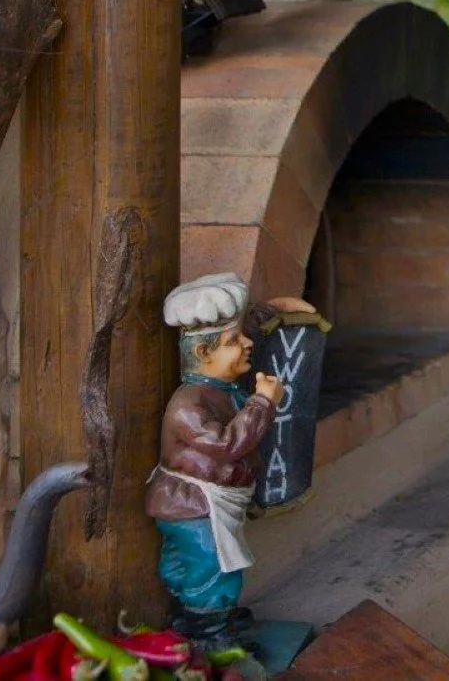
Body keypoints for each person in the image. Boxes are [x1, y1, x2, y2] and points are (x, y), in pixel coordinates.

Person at [145, 273, 293, 650]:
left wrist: (272, 311)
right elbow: (228, 444)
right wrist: (262, 402)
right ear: (202, 354)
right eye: (232, 341)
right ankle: (208, 629)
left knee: (209, 565)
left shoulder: (220, 390)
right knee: (215, 568)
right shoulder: (188, 405)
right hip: (195, 505)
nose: (244, 345)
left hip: (212, 503)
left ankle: (213, 616)